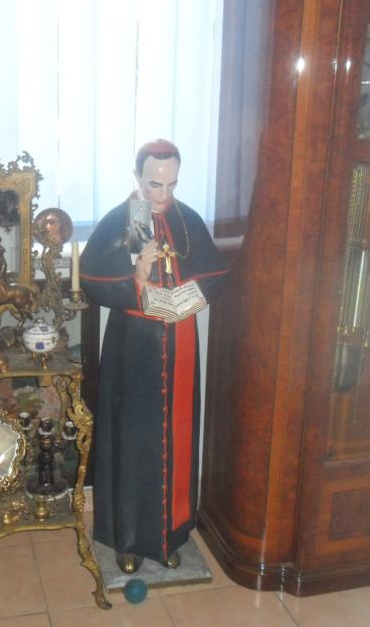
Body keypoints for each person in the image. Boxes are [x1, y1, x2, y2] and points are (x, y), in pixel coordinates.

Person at [80, 139, 229, 573]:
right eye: (154, 185)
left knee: (177, 438)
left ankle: (171, 533)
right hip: (134, 347)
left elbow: (216, 272)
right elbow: (92, 278)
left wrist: (190, 295)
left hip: (180, 342)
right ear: (138, 177)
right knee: (133, 441)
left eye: (171, 184)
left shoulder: (187, 219)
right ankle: (128, 539)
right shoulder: (125, 220)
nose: (163, 195)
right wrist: (137, 276)